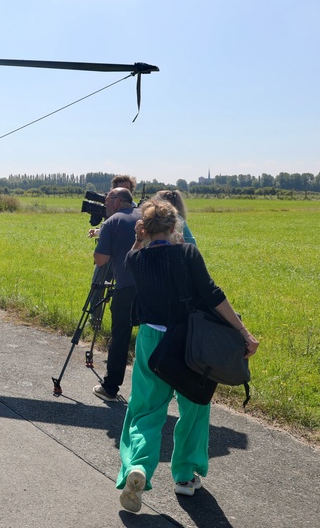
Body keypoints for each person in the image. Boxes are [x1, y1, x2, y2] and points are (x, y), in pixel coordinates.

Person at [117, 198, 258, 512]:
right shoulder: (188, 253)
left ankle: (137, 468)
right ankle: (184, 476)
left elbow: (135, 251)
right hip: (189, 342)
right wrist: (243, 332)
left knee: (145, 411)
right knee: (195, 408)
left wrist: (139, 238)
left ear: (145, 228)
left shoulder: (135, 260)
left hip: (152, 341)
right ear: (173, 227)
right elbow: (212, 293)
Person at [92, 187, 142, 401]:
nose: (105, 203)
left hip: (127, 287)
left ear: (117, 201)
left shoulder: (113, 222)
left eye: (107, 199)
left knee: (120, 336)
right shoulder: (148, 216)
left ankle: (111, 387)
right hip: (157, 288)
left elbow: (100, 260)